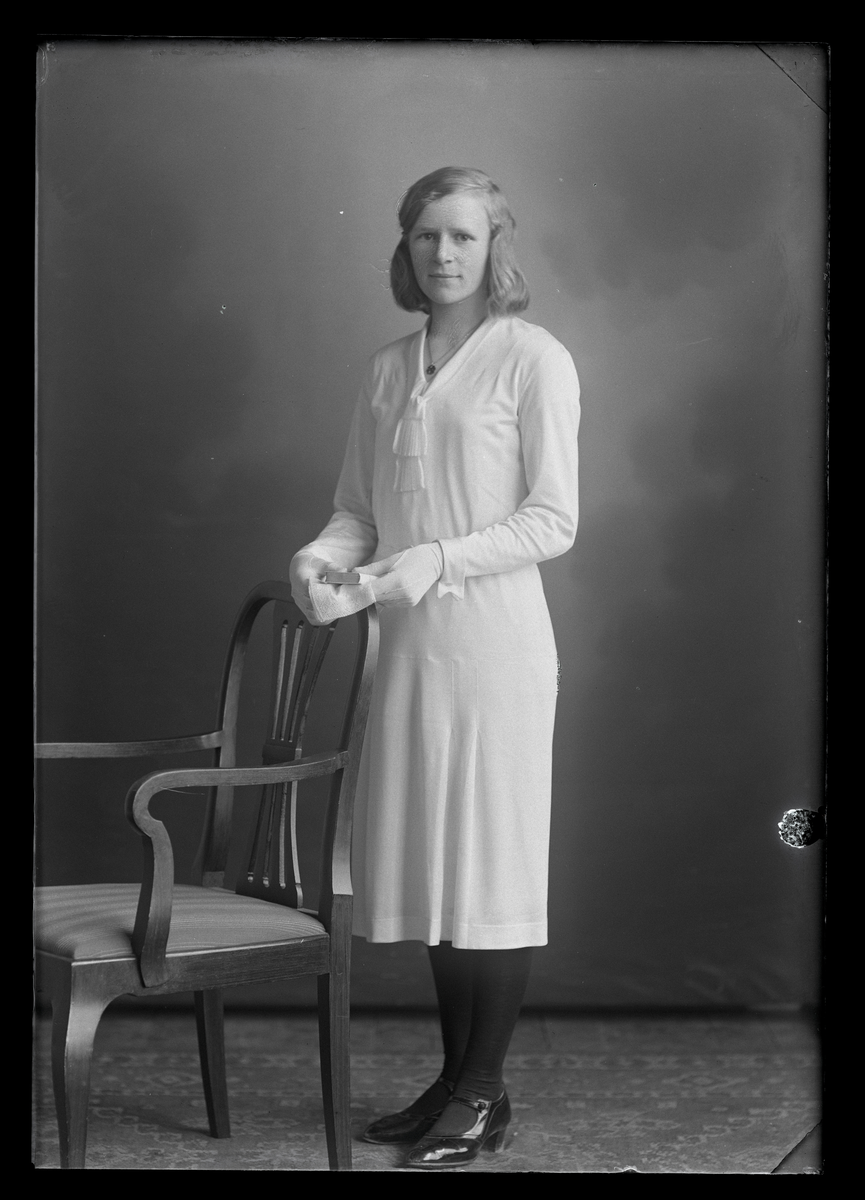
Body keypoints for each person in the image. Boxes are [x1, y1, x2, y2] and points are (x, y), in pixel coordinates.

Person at [289, 166, 580, 1169]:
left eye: (462, 236)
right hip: (407, 653)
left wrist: (438, 560)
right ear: (404, 248)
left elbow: (552, 519)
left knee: (489, 866)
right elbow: (357, 512)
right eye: (425, 236)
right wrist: (318, 560)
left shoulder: (532, 359)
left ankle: (483, 1090)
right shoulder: (386, 369)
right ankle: (457, 1082)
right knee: (438, 871)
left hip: (494, 649)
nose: (443, 254)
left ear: (495, 247)